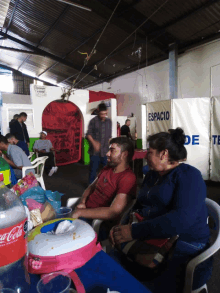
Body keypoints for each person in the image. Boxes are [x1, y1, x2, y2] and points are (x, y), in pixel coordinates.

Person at [109, 128, 210, 293]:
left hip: (185, 243)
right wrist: (122, 226)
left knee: (135, 283)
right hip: (151, 235)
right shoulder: (152, 175)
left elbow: (180, 220)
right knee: (112, 266)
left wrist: (134, 232)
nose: (146, 156)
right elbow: (139, 205)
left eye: (149, 152)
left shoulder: (189, 177)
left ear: (164, 154)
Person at [71, 137, 137, 234]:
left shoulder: (128, 178)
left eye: (112, 150)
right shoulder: (108, 168)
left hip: (97, 222)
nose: (107, 154)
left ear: (124, 154)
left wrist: (80, 212)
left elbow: (113, 212)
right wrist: (83, 202)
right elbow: (91, 187)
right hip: (84, 211)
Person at [86, 103, 112, 184]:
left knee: (106, 170)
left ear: (107, 111)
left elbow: (109, 137)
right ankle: (90, 187)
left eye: (105, 113)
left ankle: (104, 186)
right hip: (95, 152)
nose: (103, 115)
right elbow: (88, 134)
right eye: (101, 114)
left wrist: (110, 148)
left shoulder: (109, 121)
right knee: (93, 170)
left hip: (105, 151)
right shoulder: (93, 121)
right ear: (98, 111)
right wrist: (94, 143)